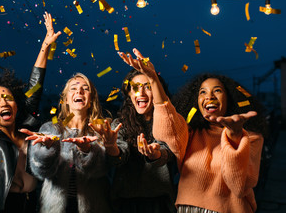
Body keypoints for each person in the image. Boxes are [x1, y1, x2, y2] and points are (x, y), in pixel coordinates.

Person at [0, 12, 61, 212]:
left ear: (16, 106)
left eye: (8, 98)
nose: (4, 102)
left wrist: (45, 46)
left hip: (34, 204)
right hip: (2, 207)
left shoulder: (28, 129)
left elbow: (34, 87)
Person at [153, 72, 267, 213]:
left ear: (230, 98)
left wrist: (235, 136)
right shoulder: (189, 133)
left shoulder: (251, 138)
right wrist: (153, 80)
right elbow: (165, 126)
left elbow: (238, 187)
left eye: (217, 91)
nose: (209, 96)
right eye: (203, 92)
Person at [91, 48, 177, 213]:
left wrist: (156, 154)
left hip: (160, 203)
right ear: (129, 94)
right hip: (126, 203)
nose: (141, 93)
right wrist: (111, 146)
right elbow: (119, 157)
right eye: (135, 88)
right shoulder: (120, 124)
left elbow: (170, 153)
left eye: (147, 87)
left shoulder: (167, 121)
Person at [20, 73, 113, 213]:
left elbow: (103, 170)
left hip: (94, 206)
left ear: (91, 99)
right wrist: (48, 150)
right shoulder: (49, 128)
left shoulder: (102, 130)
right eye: (73, 88)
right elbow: (41, 172)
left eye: (85, 88)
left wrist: (87, 150)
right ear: (65, 100)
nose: (79, 91)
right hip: (53, 208)